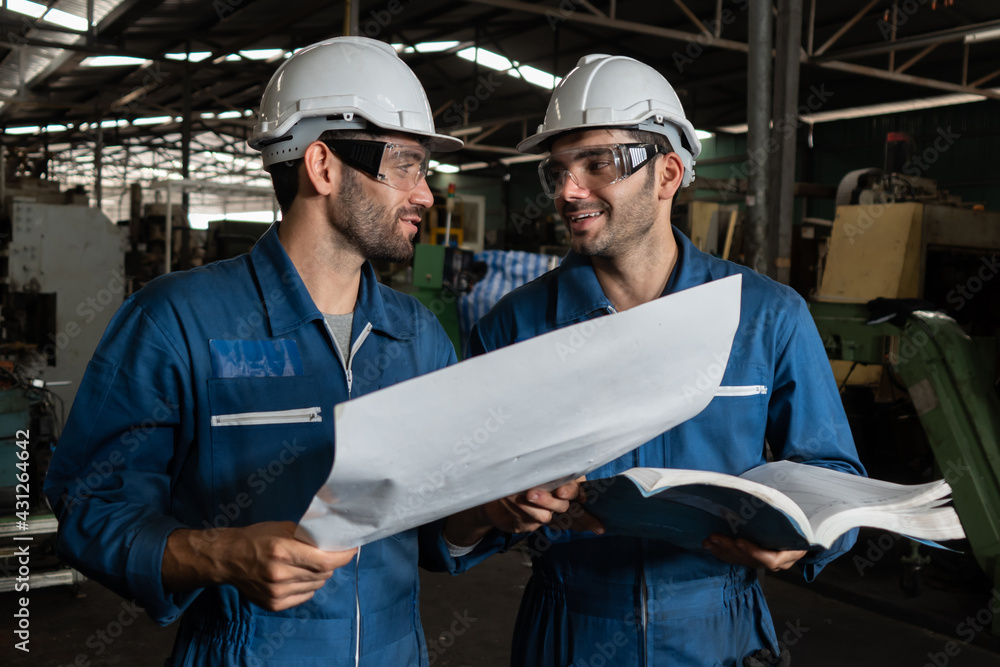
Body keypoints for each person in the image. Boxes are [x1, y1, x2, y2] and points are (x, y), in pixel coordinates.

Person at [425, 54, 866, 667]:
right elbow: (446, 519)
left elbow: (835, 480)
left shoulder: (766, 316)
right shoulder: (515, 327)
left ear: (667, 174)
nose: (569, 192)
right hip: (569, 626)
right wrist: (495, 509)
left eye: (597, 163)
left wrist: (804, 541)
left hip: (720, 627)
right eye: (558, 171)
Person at [44, 36, 467, 666]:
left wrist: (491, 510)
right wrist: (221, 554)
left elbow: (439, 524)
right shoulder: (178, 320)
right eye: (405, 164)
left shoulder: (417, 334)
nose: (425, 195)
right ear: (322, 167)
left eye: (423, 170)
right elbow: (89, 506)